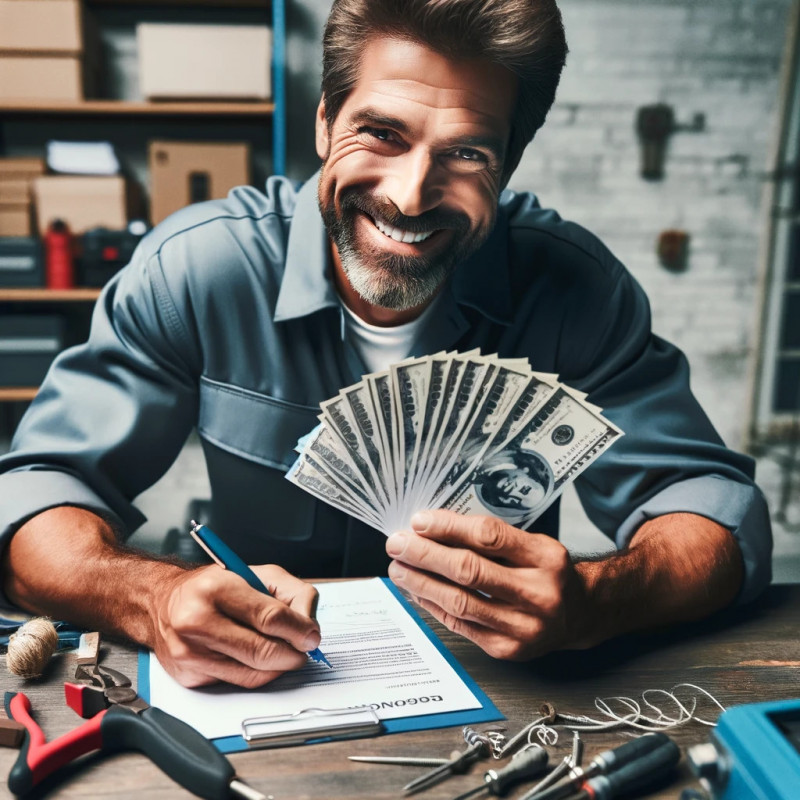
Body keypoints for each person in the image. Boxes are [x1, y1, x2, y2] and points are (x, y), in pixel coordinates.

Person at [0, 0, 771, 688]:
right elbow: (35, 499)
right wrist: (155, 595)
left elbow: (716, 516)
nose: (409, 195)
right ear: (325, 122)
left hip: (508, 703)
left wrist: (599, 602)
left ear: (508, 165)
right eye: (381, 133)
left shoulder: (577, 291)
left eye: (467, 153)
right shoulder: (198, 270)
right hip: (253, 691)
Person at [473, 449, 552, 523]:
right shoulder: (511, 446)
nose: (518, 494)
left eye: (516, 501)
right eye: (527, 489)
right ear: (526, 471)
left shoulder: (475, 477)